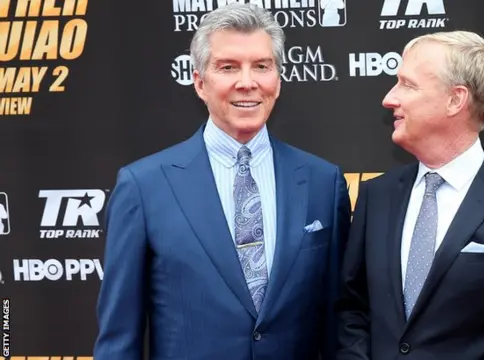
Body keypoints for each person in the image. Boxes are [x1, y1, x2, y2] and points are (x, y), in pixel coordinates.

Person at [93, 4, 351, 360]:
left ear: (277, 78)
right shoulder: (144, 186)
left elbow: (340, 322)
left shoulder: (323, 181)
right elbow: (119, 340)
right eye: (228, 67)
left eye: (262, 66)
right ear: (200, 82)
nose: (247, 82)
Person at [336, 30, 484, 359]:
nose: (390, 98)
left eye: (407, 84)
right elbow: (352, 310)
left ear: (455, 100)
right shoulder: (378, 197)